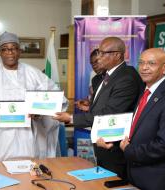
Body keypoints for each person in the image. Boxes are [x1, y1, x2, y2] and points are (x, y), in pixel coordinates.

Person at [0, 31, 68, 164]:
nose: (9, 52)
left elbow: (55, 99)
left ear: (19, 51)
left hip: (25, 134)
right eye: (5, 49)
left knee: (25, 169)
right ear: (0, 53)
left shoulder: (34, 74)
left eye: (13, 48)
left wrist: (39, 112)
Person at [54, 37, 143, 179]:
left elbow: (109, 113)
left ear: (117, 55)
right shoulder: (106, 76)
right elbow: (107, 103)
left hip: (115, 148)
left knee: (113, 183)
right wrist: (91, 105)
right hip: (103, 144)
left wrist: (71, 118)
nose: (99, 57)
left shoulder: (126, 77)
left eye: (102, 53)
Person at [118, 48, 165, 189]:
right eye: (141, 62)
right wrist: (113, 142)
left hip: (156, 180)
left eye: (151, 63)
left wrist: (130, 151)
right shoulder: (144, 92)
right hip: (135, 174)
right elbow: (137, 130)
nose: (144, 68)